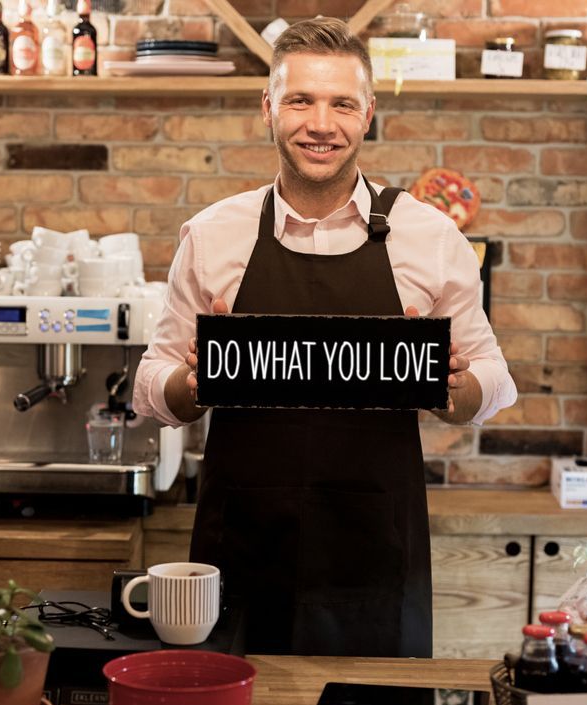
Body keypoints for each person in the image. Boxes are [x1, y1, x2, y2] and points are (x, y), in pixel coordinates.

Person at [132, 17, 516, 657]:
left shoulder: (430, 237)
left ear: (368, 114)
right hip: (242, 550)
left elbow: (495, 380)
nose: (321, 124)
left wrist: (456, 388)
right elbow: (152, 384)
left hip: (376, 554)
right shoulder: (212, 234)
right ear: (268, 108)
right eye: (300, 101)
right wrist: (190, 383)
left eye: (341, 104)